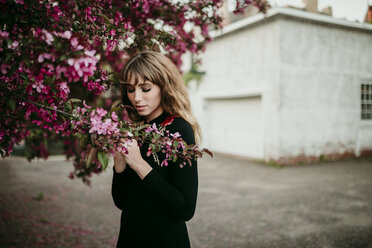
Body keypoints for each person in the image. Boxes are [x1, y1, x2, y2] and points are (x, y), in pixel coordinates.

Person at [111, 50, 201, 248]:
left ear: (164, 87)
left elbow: (185, 208)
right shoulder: (135, 130)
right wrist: (119, 164)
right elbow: (121, 201)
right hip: (130, 238)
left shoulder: (179, 128)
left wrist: (139, 164)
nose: (136, 98)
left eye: (145, 89)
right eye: (130, 89)